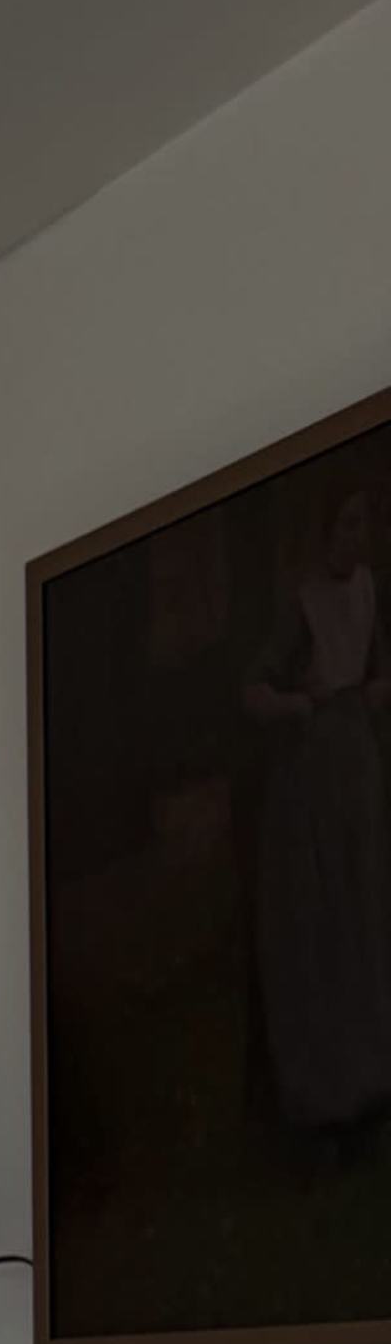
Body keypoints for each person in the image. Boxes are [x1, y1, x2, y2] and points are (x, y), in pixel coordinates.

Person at [247, 474, 391, 1131]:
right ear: (326, 531)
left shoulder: (366, 588)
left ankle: (373, 1067)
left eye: (365, 524)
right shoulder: (302, 599)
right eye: (347, 525)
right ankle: (329, 1083)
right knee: (325, 917)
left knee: (367, 905)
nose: (357, 538)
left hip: (357, 755)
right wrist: (301, 702)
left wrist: (372, 693)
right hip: (315, 768)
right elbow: (255, 688)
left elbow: (378, 666)